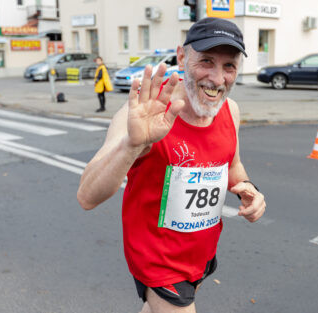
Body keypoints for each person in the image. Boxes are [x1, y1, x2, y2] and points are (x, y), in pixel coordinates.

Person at [77, 17, 266, 313]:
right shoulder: (144, 111)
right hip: (158, 263)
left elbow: (233, 166)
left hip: (201, 255)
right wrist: (132, 144)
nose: (217, 79)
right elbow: (87, 196)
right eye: (206, 61)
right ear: (181, 57)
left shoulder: (231, 110)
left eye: (228, 66)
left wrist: (249, 190)